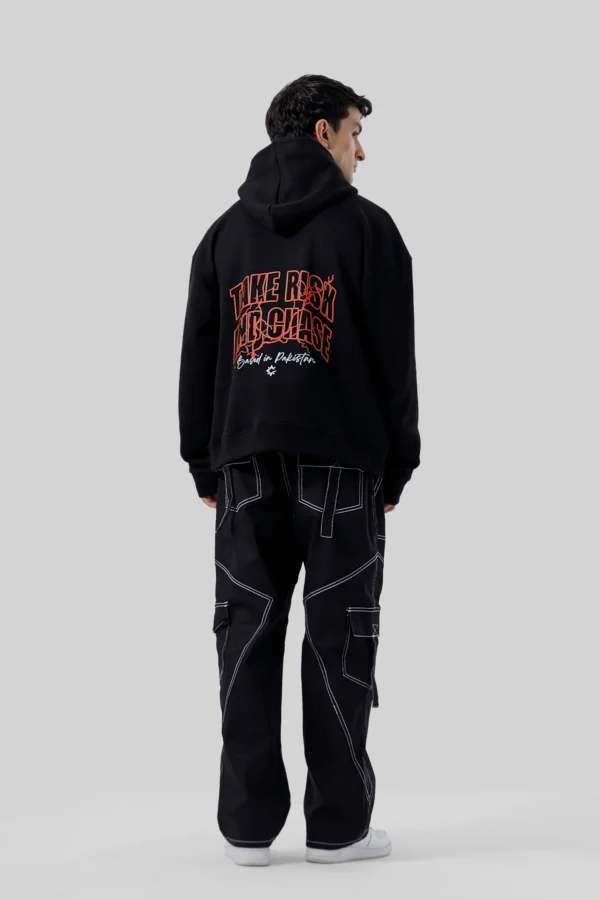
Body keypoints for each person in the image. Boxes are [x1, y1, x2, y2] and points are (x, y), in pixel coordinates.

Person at [178, 74, 420, 866]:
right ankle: (338, 829)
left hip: (244, 466)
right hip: (343, 464)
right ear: (321, 132)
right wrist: (398, 466)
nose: (361, 151)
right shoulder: (370, 231)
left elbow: (198, 356)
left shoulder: (222, 238)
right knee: (340, 637)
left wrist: (204, 463)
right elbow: (395, 361)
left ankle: (247, 829)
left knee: (245, 636)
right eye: (354, 132)